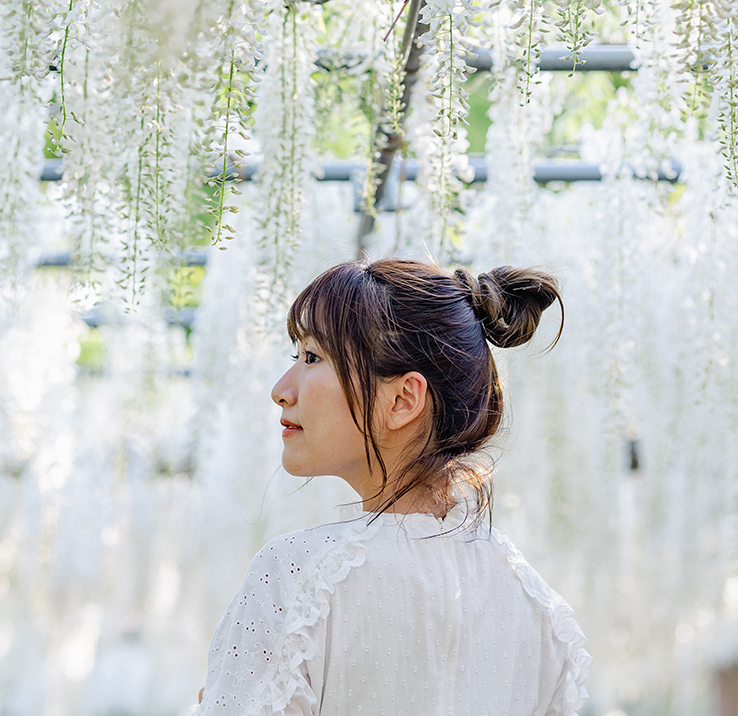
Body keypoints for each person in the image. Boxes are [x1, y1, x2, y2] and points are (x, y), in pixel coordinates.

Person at [191, 258, 591, 715]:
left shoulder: (298, 579)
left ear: (402, 400)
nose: (281, 389)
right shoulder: (539, 612)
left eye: (312, 357)